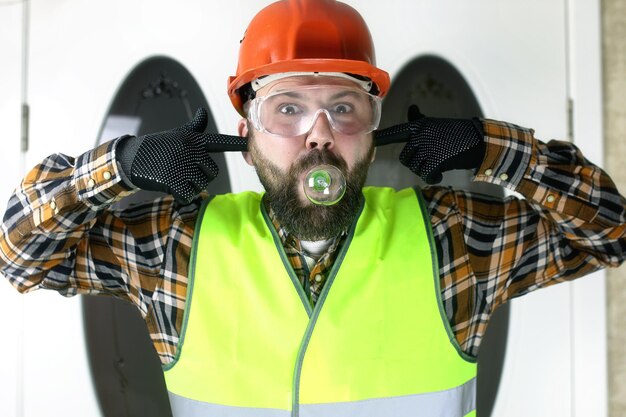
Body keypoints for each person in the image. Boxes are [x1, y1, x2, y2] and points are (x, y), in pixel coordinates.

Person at [1, 0, 624, 416]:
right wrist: (118, 165)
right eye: (288, 108)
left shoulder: (452, 236)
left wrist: (497, 151)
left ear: (371, 131)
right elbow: (19, 257)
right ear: (246, 139)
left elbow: (608, 231)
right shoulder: (173, 249)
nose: (319, 134)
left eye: (344, 107)